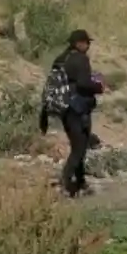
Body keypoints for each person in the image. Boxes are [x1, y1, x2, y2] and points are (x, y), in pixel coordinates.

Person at [43, 29, 105, 198]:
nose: (88, 46)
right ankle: (66, 183)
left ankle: (80, 183)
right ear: (79, 44)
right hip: (78, 108)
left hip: (64, 107)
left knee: (79, 145)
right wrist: (98, 86)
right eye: (87, 42)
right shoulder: (81, 59)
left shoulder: (61, 59)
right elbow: (84, 84)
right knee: (79, 148)